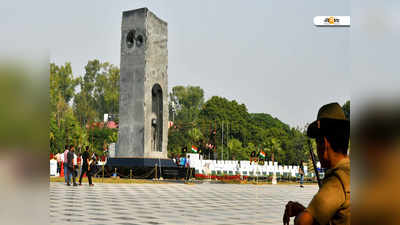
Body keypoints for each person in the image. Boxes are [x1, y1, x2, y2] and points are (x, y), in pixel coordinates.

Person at [283, 102, 350, 225]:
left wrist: (300, 215)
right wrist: (306, 211)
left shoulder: (337, 180)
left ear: (324, 143)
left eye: (317, 143)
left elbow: (303, 223)